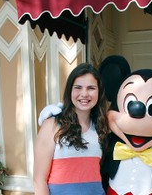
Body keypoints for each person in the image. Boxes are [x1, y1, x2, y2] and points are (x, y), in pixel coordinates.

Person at [33, 63, 109, 195]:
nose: (84, 94)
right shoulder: (52, 125)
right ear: (70, 91)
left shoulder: (101, 126)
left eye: (91, 88)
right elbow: (39, 180)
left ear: (99, 92)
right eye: (78, 88)